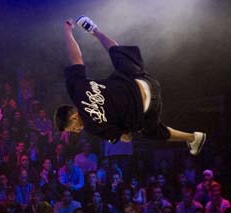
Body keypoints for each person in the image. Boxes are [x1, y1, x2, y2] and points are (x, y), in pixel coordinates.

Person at [54, 17, 206, 156]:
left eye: (73, 128)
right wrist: (68, 32)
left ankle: (193, 137)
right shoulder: (76, 89)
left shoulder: (92, 127)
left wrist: (122, 133)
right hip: (143, 81)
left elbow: (126, 138)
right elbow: (76, 58)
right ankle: (95, 31)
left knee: (151, 131)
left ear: (73, 116)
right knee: (118, 55)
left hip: (148, 108)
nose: (76, 131)